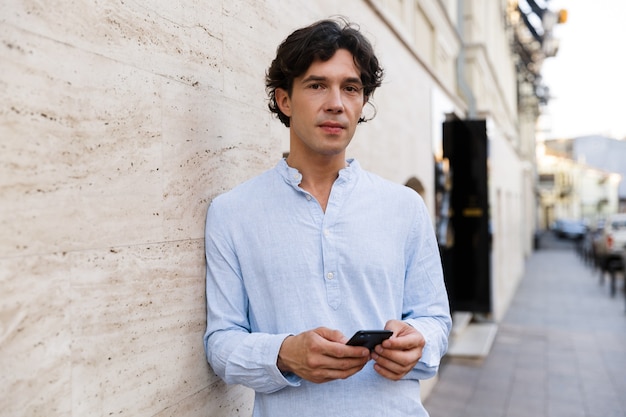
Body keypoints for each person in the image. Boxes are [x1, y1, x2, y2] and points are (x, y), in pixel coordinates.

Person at [203, 17, 451, 417]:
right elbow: (220, 342)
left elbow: (435, 317)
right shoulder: (233, 212)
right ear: (284, 100)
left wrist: (418, 340)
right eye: (318, 85)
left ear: (361, 103)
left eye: (350, 88)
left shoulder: (404, 206)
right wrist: (284, 354)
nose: (336, 102)